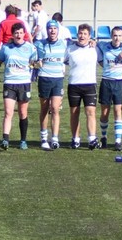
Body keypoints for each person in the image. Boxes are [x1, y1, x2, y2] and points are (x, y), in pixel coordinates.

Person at [0, 22, 38, 150]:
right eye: (16, 33)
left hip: (24, 83)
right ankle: (5, 139)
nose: (18, 35)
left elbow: (35, 63)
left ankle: (23, 140)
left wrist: (33, 68)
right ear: (12, 34)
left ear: (24, 34)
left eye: (21, 33)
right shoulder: (6, 48)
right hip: (9, 83)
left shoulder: (30, 48)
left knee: (22, 112)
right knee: (8, 112)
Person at [65, 23, 99, 150]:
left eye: (85, 34)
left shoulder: (94, 48)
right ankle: (75, 139)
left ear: (90, 36)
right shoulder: (70, 49)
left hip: (90, 84)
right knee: (74, 113)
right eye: (80, 33)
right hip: (74, 84)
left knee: (90, 112)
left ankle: (92, 139)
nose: (82, 36)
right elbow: (62, 61)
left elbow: (103, 61)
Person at [35, 20, 67, 150]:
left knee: (55, 108)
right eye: (50, 29)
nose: (52, 31)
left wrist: (92, 41)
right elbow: (33, 60)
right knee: (44, 108)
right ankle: (43, 138)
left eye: (54, 28)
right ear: (47, 30)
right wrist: (36, 63)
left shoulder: (64, 44)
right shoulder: (39, 44)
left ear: (58, 30)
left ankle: (54, 138)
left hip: (58, 79)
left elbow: (79, 44)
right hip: (44, 78)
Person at [96, 26, 122, 150]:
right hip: (106, 82)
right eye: (115, 35)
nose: (117, 38)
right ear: (111, 36)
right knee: (105, 113)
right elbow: (96, 46)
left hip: (119, 83)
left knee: (118, 111)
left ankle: (118, 141)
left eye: (119, 35)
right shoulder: (104, 46)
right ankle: (103, 137)